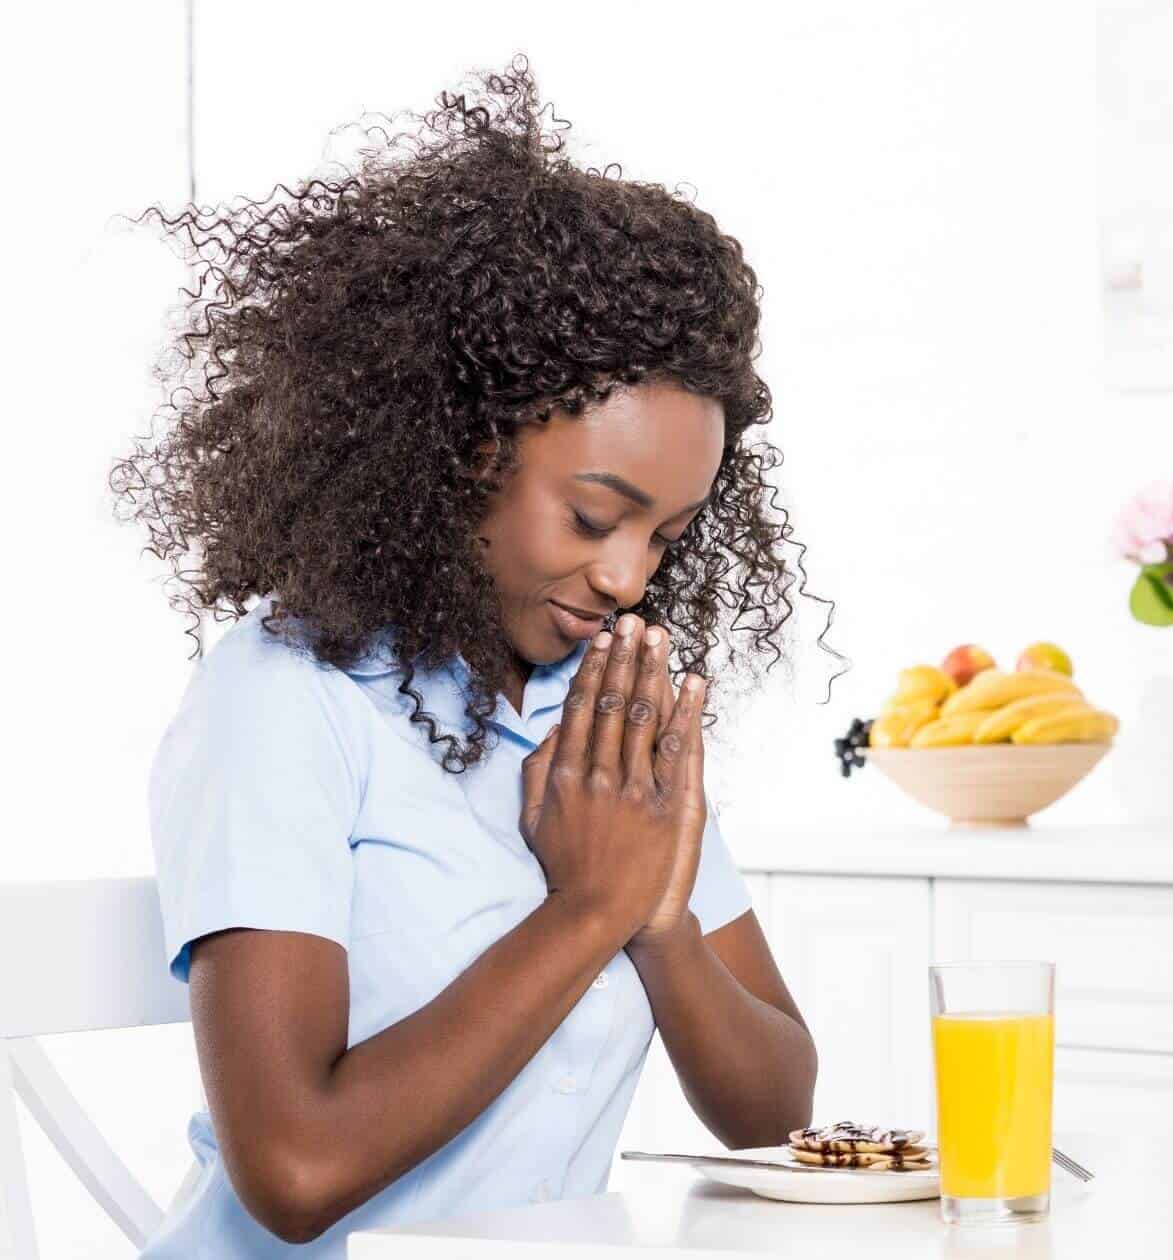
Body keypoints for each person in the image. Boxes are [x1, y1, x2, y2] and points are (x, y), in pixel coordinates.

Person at [114, 63, 819, 1254]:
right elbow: (294, 1170)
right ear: (454, 450)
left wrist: (657, 919)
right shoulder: (289, 700)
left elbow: (774, 1113)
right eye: (595, 518)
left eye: (666, 535)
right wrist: (588, 906)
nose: (628, 578)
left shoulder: (599, 722)